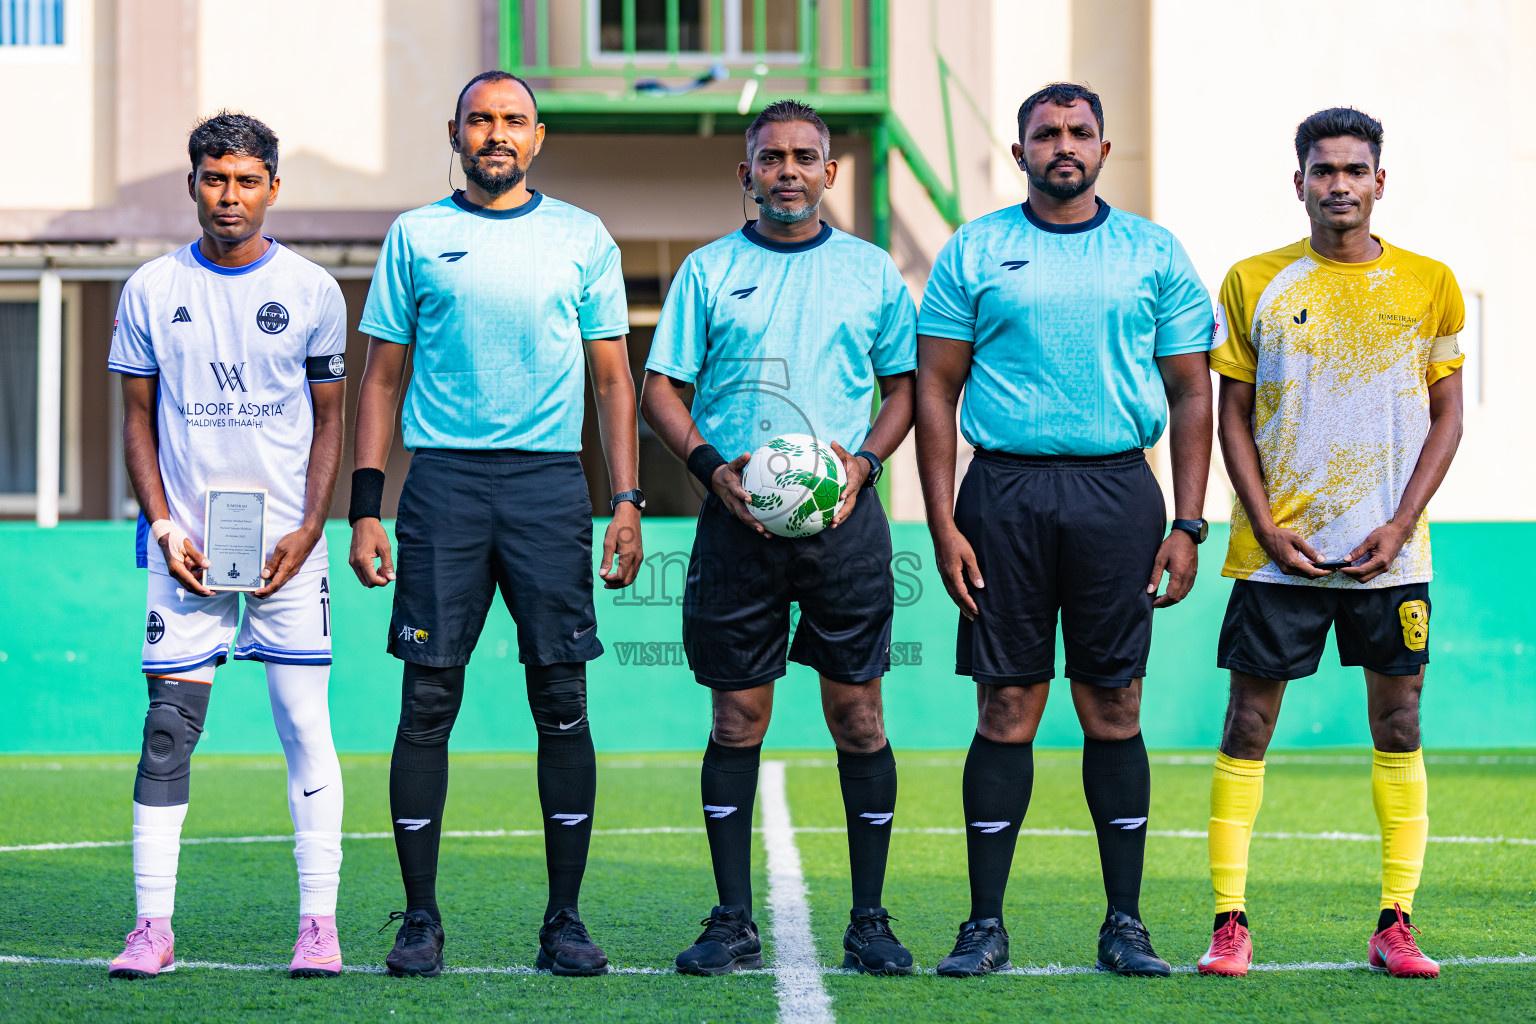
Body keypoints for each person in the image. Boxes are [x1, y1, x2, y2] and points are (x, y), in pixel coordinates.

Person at [914, 82, 1214, 977]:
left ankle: (1125, 923)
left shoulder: (1152, 252)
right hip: (1000, 494)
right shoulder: (975, 250)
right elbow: (934, 387)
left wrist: (1190, 520)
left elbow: (1194, 391)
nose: (1063, 145)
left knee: (1112, 703)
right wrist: (941, 518)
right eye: (1045, 134)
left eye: (1081, 130)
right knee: (1007, 707)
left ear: (1104, 149)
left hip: (1119, 492)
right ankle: (983, 926)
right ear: (1019, 155)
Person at [349, 71, 642, 979]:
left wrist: (626, 500)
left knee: (562, 701)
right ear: (455, 132)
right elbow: (383, 380)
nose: (496, 133)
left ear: (539, 135)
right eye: (481, 120)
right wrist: (367, 508)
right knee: (427, 702)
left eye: (513, 120)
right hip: (442, 488)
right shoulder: (417, 235)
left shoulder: (581, 237)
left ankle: (564, 921)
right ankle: (420, 921)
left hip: (551, 489)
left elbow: (611, 381)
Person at [640, 99, 918, 976]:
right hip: (736, 523)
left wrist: (864, 467)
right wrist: (713, 467)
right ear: (746, 173)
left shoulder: (871, 273)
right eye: (771, 158)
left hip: (844, 526)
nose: (788, 171)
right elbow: (661, 390)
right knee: (736, 717)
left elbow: (905, 390)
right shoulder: (708, 271)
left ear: (830, 173)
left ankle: (869, 919)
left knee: (859, 717)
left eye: (804, 157)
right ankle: (730, 919)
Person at [1198, 107, 1463, 980]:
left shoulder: (1431, 283)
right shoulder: (1253, 281)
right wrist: (1265, 522)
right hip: (1282, 557)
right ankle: (1229, 921)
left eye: (1355, 170)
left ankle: (1397, 922)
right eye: (1324, 169)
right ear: (1299, 180)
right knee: (1247, 725)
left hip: (1393, 557)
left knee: (1399, 722)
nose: (1339, 184)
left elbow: (1448, 414)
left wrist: (1402, 521)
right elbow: (1230, 415)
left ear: (1380, 181)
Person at [106, 113, 349, 980]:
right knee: (168, 732)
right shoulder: (149, 288)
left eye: (247, 180)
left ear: (273, 188)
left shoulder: (315, 290)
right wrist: (165, 525)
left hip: (288, 546)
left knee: (302, 724)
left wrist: (310, 526)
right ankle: (151, 929)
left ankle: (317, 927)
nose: (230, 196)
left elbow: (331, 422)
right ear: (192, 184)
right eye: (215, 179)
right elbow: (135, 419)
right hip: (188, 550)